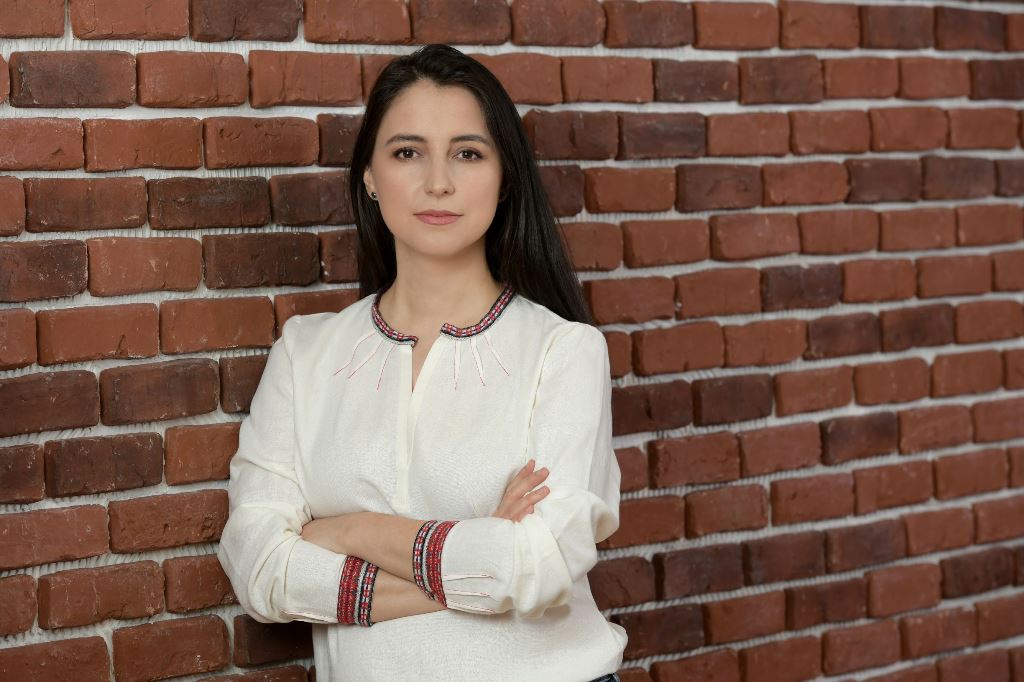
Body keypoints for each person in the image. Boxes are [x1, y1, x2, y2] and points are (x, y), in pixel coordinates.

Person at [216, 43, 626, 681]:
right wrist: (476, 557)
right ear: (370, 176)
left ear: (505, 178)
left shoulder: (563, 351)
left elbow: (539, 565)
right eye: (408, 152)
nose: (438, 182)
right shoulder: (305, 353)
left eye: (468, 153)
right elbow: (261, 569)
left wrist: (350, 530)